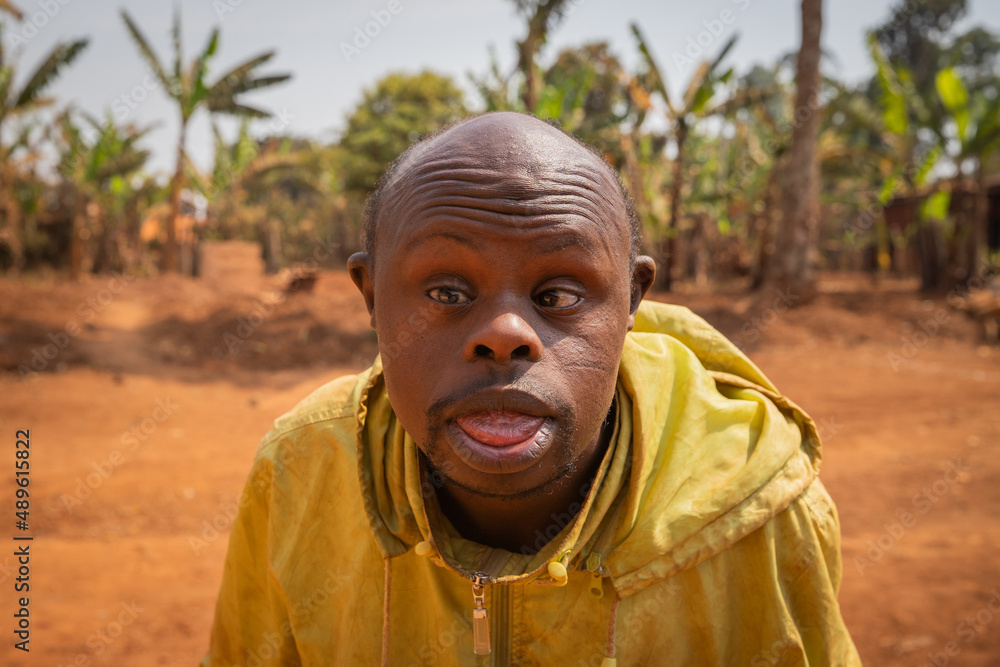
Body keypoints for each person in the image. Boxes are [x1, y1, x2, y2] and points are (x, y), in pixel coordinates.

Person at [202, 112, 860, 666]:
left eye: (561, 294)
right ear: (371, 297)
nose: (506, 334)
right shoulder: (301, 472)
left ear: (631, 299)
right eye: (446, 292)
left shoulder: (759, 508)